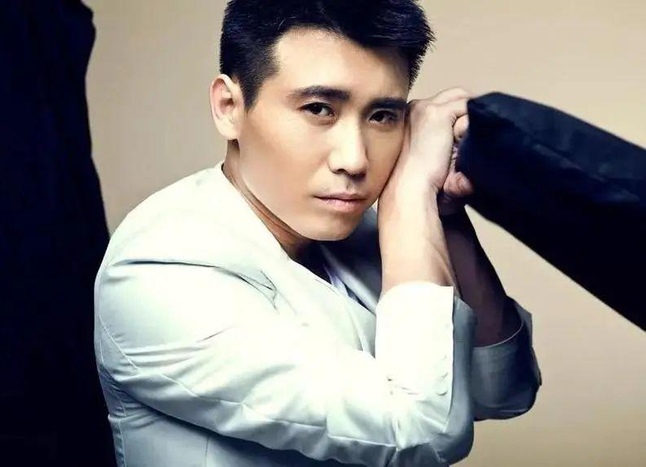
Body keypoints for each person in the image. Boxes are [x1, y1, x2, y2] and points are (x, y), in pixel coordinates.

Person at [93, 1, 541, 465]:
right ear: (229, 107)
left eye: (382, 116)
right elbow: (421, 433)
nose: (355, 160)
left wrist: (441, 215)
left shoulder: (367, 230)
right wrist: (410, 195)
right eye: (319, 109)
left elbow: (502, 391)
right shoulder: (158, 273)